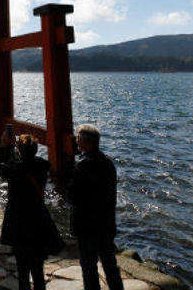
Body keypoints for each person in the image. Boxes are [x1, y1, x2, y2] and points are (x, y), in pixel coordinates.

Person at [0, 133, 64, 290]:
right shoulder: (43, 166)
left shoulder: (15, 168)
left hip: (18, 219)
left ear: (19, 151)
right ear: (36, 150)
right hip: (38, 218)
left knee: (22, 268)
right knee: (38, 267)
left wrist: (4, 146)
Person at [67, 124, 124, 290]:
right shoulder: (108, 164)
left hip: (86, 225)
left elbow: (72, 195)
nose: (76, 142)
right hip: (106, 222)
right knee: (110, 264)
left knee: (89, 266)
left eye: (78, 139)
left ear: (84, 143)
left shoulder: (82, 166)